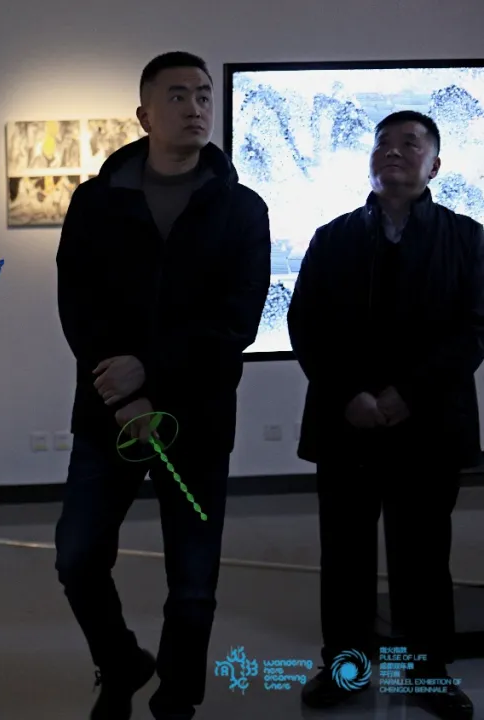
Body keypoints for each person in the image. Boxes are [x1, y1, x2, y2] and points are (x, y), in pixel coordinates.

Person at [54, 51, 271, 720]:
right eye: (177, 95)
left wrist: (150, 371)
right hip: (108, 418)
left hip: (199, 421)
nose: (196, 106)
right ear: (144, 114)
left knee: (194, 586)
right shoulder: (96, 202)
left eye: (204, 94)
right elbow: (79, 306)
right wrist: (125, 393)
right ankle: (121, 661)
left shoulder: (241, 208)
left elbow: (237, 320)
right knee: (77, 556)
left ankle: (178, 701)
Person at [289, 110, 480, 720]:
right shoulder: (333, 237)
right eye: (383, 144)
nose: (393, 152)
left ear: (435, 165)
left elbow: (475, 330)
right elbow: (305, 325)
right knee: (345, 557)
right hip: (345, 423)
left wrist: (407, 394)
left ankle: (427, 673)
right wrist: (351, 394)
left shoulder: (467, 238)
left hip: (429, 426)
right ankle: (345, 669)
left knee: (422, 555)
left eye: (410, 143)